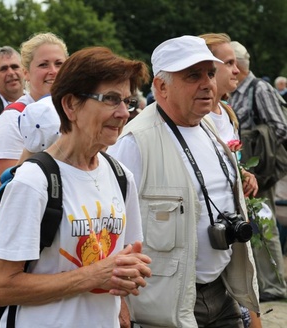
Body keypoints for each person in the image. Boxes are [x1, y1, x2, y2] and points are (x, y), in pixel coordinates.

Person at [0, 46, 152, 328]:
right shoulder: (33, 181)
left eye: (128, 101)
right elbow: (1, 288)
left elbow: (121, 260)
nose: (124, 113)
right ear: (71, 105)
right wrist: (94, 275)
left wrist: (127, 282)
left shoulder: (121, 175)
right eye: (111, 99)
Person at [109, 35, 260, 327]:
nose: (207, 83)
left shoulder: (209, 127)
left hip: (222, 290)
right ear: (161, 86)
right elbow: (113, 227)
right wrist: (118, 304)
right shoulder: (134, 142)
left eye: (210, 73)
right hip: (163, 306)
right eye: (193, 75)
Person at [199, 32, 261, 328]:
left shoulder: (228, 112)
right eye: (228, 63)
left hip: (234, 228)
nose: (237, 70)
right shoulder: (197, 118)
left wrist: (243, 176)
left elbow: (229, 164)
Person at [229, 40, 287, 302]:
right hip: (244, 171)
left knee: (266, 227)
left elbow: (280, 127)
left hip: (260, 173)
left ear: (237, 66)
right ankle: (261, 283)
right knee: (254, 228)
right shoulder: (236, 91)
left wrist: (255, 147)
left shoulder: (259, 89)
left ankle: (274, 287)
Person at [0, 33, 68, 186]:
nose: (53, 71)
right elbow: (6, 188)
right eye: (43, 65)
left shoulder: (74, 112)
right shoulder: (11, 119)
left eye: (59, 64)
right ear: (26, 73)